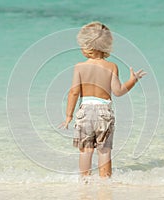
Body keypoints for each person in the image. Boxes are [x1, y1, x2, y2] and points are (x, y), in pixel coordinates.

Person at [60, 21, 146, 179]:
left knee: (85, 150)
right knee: (104, 150)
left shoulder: (79, 67)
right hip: (104, 112)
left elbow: (73, 92)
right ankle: (105, 183)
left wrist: (68, 116)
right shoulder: (112, 66)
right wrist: (133, 80)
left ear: (86, 46)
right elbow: (118, 91)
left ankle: (84, 180)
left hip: (85, 112)